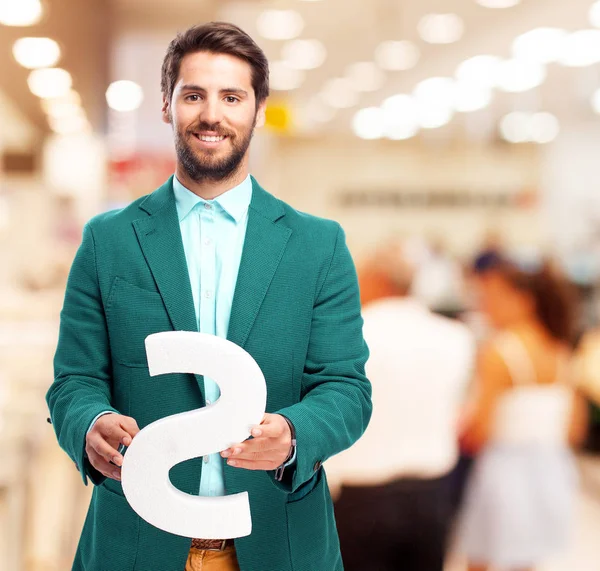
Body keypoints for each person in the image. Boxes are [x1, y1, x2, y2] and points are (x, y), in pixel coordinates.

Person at [46, 22, 372, 571]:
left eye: (232, 97)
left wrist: (295, 434)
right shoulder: (109, 240)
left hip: (278, 542)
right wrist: (88, 422)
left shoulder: (319, 246)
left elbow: (346, 390)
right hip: (137, 543)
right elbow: (73, 381)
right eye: (193, 95)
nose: (212, 114)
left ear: (258, 110)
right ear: (167, 105)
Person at [328, 242, 475, 571]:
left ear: (377, 280)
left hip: (360, 497)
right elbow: (461, 411)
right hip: (432, 493)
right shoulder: (456, 336)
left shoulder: (344, 334)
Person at [458, 254, 588, 571]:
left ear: (523, 300)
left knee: (481, 557)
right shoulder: (559, 348)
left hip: (504, 472)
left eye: (491, 298)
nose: (484, 306)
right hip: (553, 470)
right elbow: (574, 429)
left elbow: (481, 429)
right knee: (526, 560)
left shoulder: (500, 351)